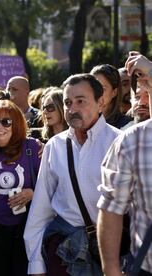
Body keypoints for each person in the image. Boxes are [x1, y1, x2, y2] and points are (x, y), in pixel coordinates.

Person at [24, 73, 121, 276]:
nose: (72, 109)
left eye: (80, 101)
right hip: (63, 252)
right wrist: (36, 264)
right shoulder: (55, 146)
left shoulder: (121, 143)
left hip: (112, 254)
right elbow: (41, 209)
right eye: (68, 102)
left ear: (100, 102)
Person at [97, 52, 152, 276]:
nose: (143, 100)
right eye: (140, 93)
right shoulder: (132, 141)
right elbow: (111, 208)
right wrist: (111, 269)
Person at [0, 99, 41, 276]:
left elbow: (51, 185)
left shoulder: (32, 147)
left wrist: (33, 193)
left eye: (6, 122)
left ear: (16, 124)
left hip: (26, 227)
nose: (0, 127)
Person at [90, 64, 132, 129]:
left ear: (114, 92)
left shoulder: (127, 125)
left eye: (102, 88)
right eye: (92, 88)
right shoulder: (84, 122)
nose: (95, 92)